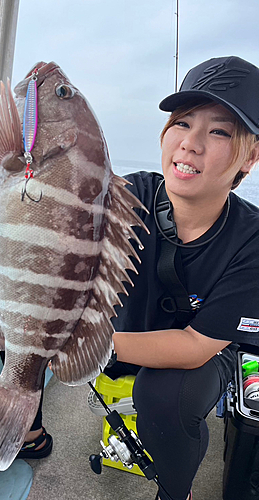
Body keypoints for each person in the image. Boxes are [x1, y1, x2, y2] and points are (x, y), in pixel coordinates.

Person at [104, 55, 259, 500]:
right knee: (18, 313)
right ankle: (27, 434)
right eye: (182, 123)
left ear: (250, 156)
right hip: (119, 333)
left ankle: (176, 491)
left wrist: (89, 343)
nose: (191, 143)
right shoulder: (122, 196)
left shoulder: (251, 241)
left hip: (204, 350)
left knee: (165, 396)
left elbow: (195, 347)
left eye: (219, 131)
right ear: (164, 136)